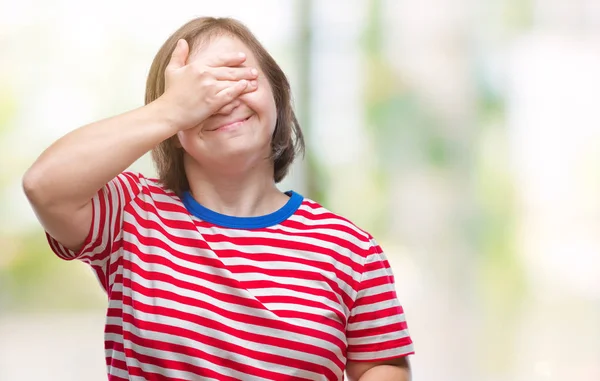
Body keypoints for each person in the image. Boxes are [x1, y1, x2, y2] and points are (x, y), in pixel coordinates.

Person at [22, 16, 414, 381]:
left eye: (237, 79)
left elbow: (380, 366)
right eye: (198, 90)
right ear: (171, 125)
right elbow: (44, 186)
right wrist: (171, 109)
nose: (221, 99)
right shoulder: (131, 213)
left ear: (277, 94)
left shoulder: (351, 250)